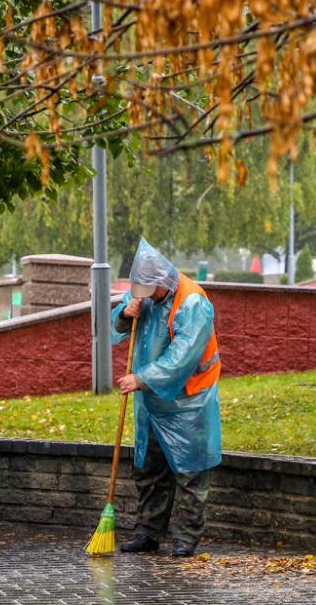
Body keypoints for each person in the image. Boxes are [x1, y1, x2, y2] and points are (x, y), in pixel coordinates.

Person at [111, 238, 222, 557]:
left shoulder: (193, 303)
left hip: (188, 401)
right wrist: (126, 313)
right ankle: (148, 532)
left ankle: (187, 537)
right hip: (151, 402)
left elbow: (182, 357)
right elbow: (117, 325)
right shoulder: (144, 294)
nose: (143, 297)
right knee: (149, 469)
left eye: (147, 291)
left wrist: (142, 378)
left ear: (161, 281)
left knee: (190, 471)